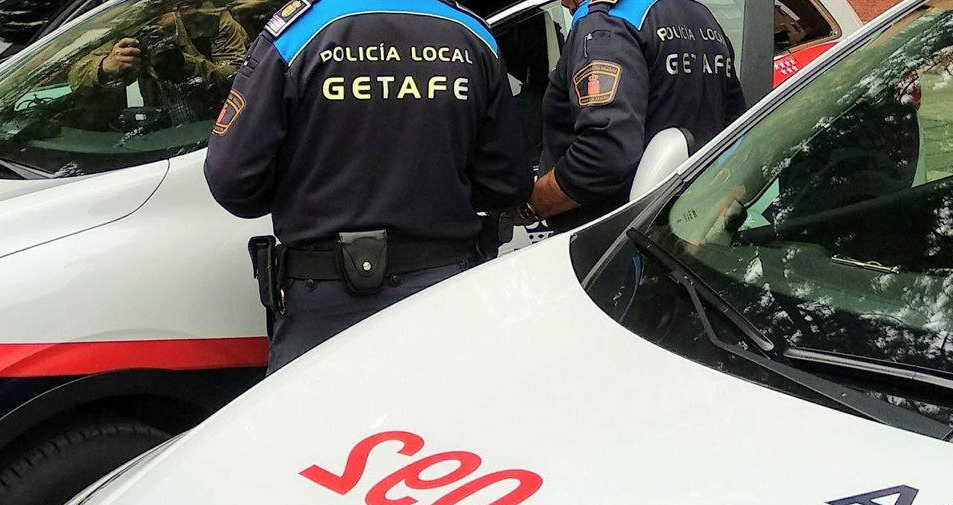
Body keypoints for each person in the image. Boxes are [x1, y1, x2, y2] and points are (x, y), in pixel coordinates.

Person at [204, 0, 531, 372]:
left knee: (318, 411)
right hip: (444, 291)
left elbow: (233, 182)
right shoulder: (470, 34)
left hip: (323, 303)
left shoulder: (298, 33)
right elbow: (506, 184)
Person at [526, 0, 747, 231]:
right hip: (686, 226)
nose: (564, 2)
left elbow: (604, 156)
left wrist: (532, 205)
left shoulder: (606, 22)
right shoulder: (702, 18)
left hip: (608, 234)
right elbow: (736, 134)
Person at [68, 1, 248, 122]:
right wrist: (105, 67)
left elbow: (240, 77)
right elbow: (76, 76)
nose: (157, 20)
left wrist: (187, 65)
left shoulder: (210, 20)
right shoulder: (134, 31)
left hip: (219, 121)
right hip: (163, 129)